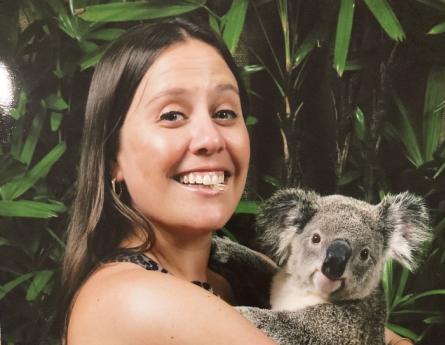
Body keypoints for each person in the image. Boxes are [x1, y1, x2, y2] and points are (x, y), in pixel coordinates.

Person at [60, 17, 412, 345]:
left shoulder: (235, 275)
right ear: (111, 158)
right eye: (172, 115)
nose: (210, 139)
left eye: (224, 113)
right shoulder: (132, 299)